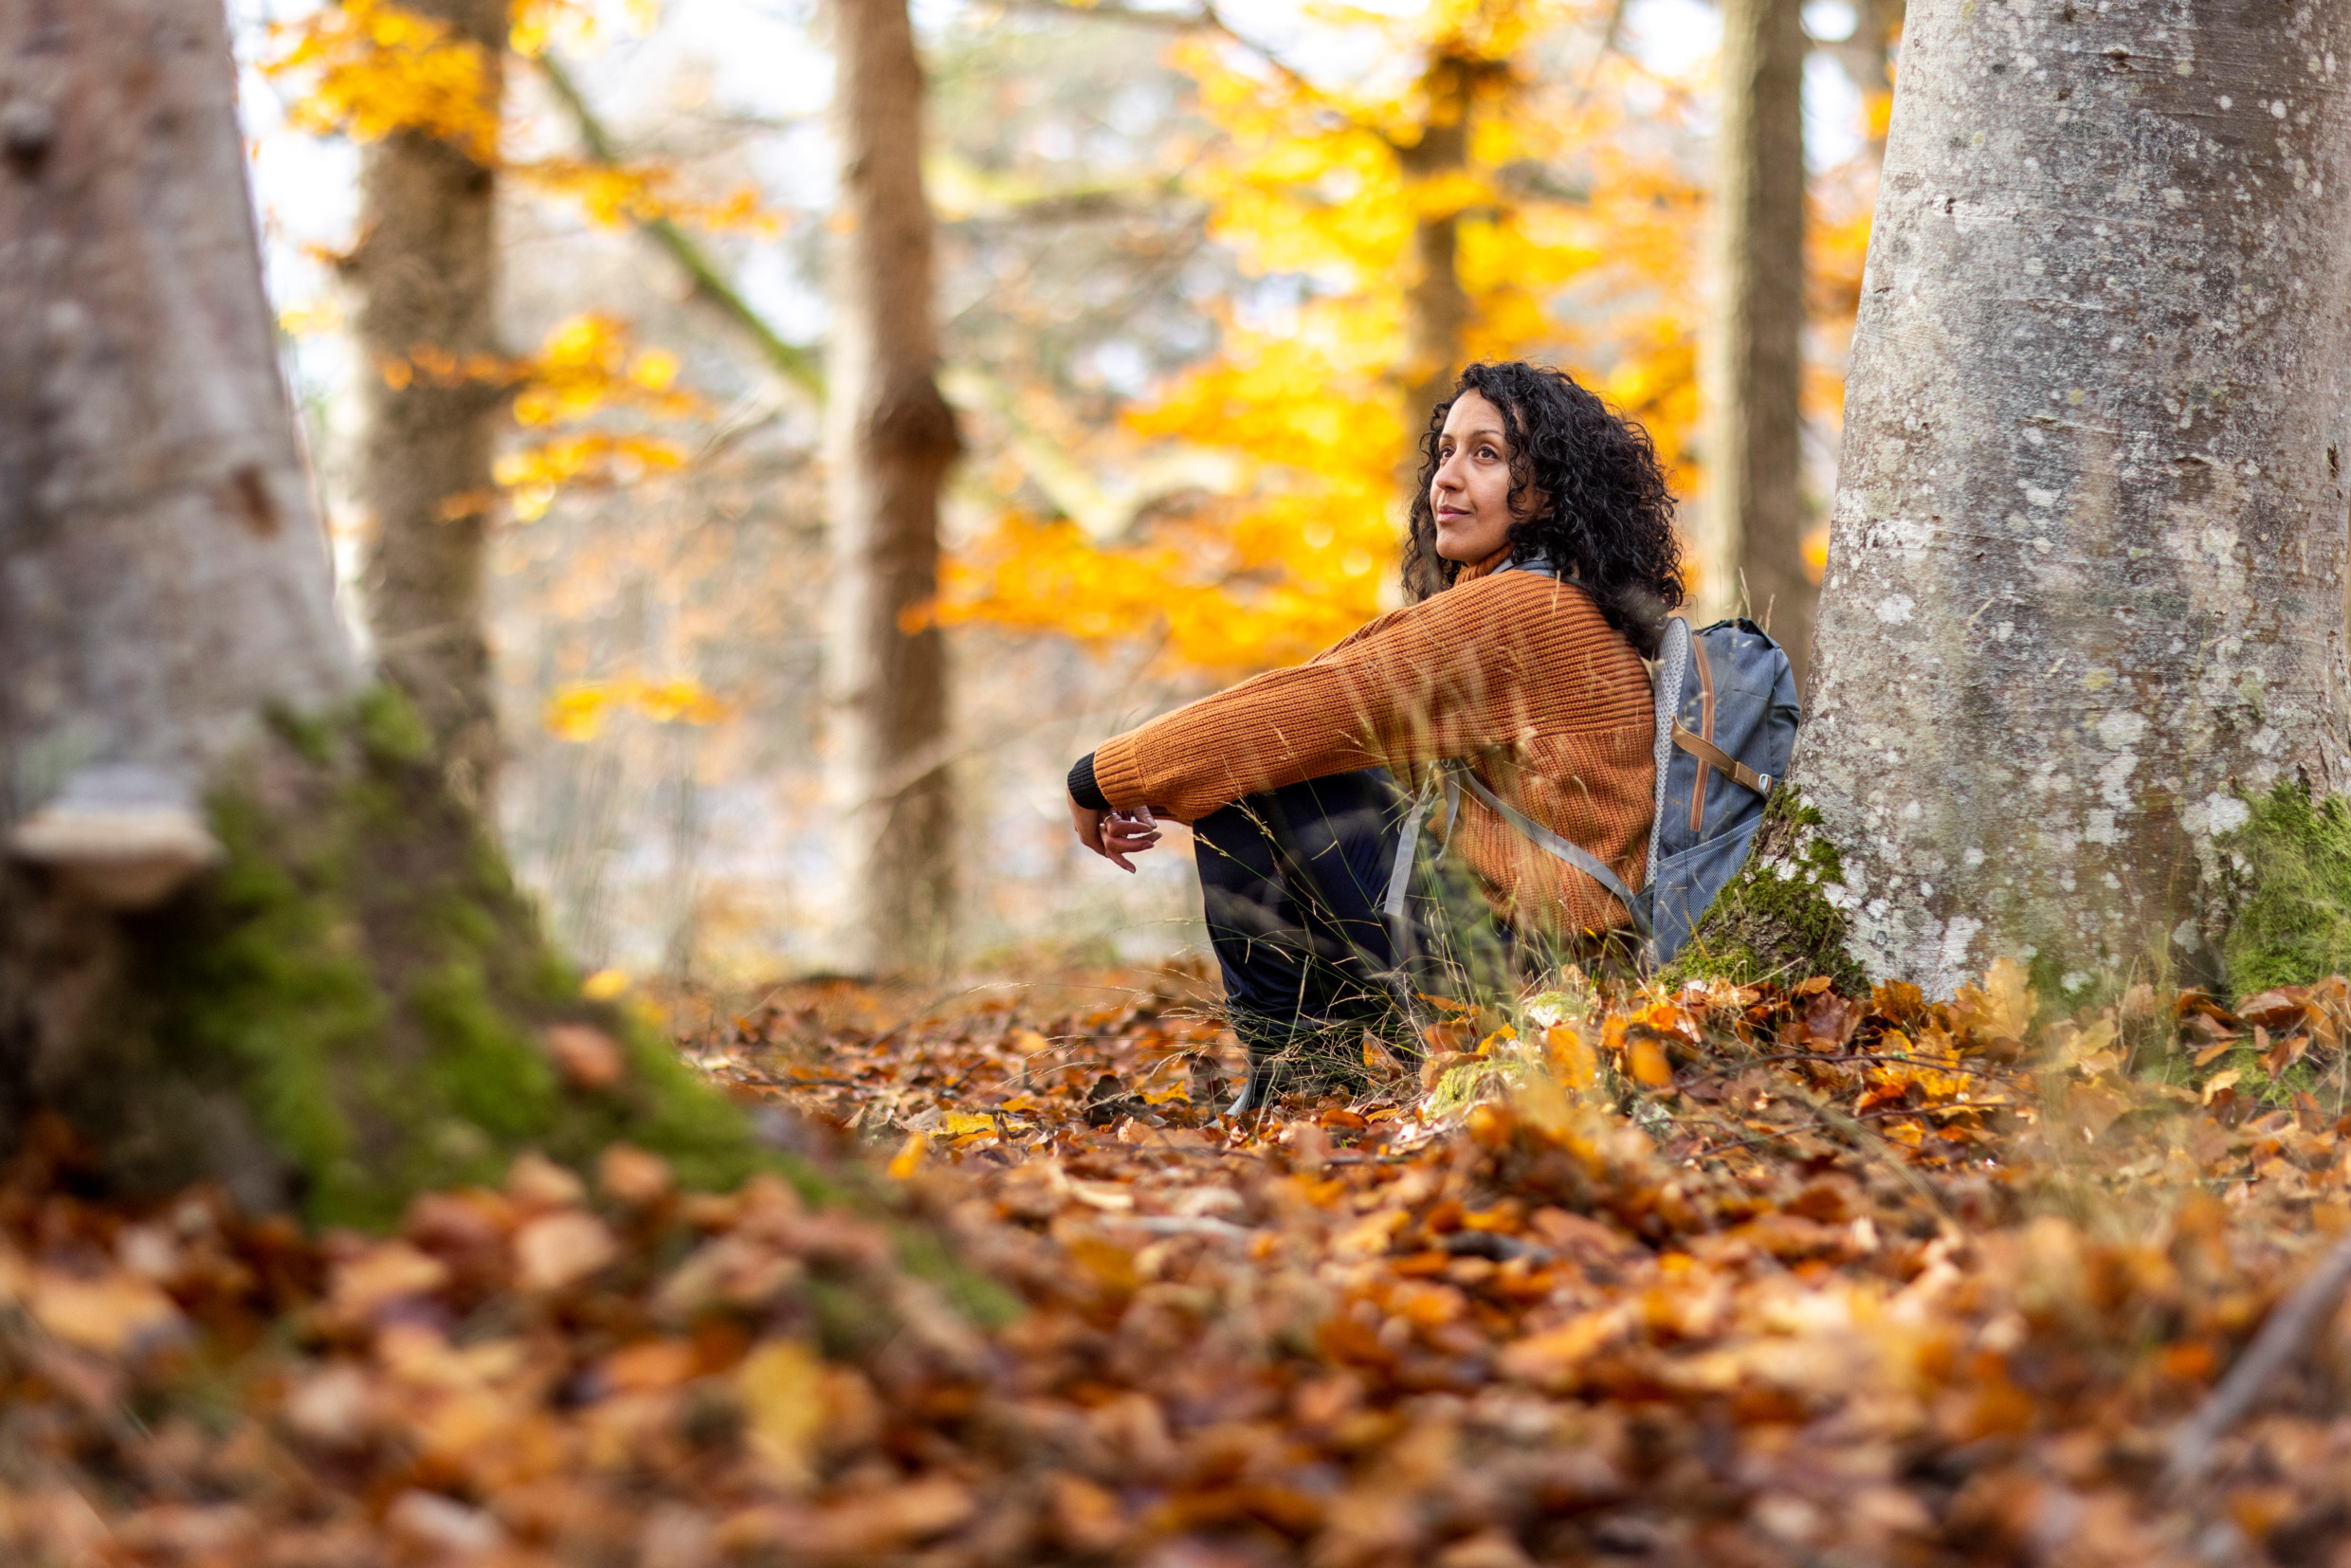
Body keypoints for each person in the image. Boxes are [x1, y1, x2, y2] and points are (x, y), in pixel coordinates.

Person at [1065, 361, 1683, 1103]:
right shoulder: (1553, 601)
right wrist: (1155, 785)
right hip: (1544, 963)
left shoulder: (1525, 610)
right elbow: (1325, 692)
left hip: (1528, 978)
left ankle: (1299, 1078)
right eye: (1446, 451)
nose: (1447, 479)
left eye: (1485, 455)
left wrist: (1099, 779)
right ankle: (1309, 1070)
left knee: (1254, 775)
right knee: (1267, 760)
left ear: (1549, 490)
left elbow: (1304, 708)